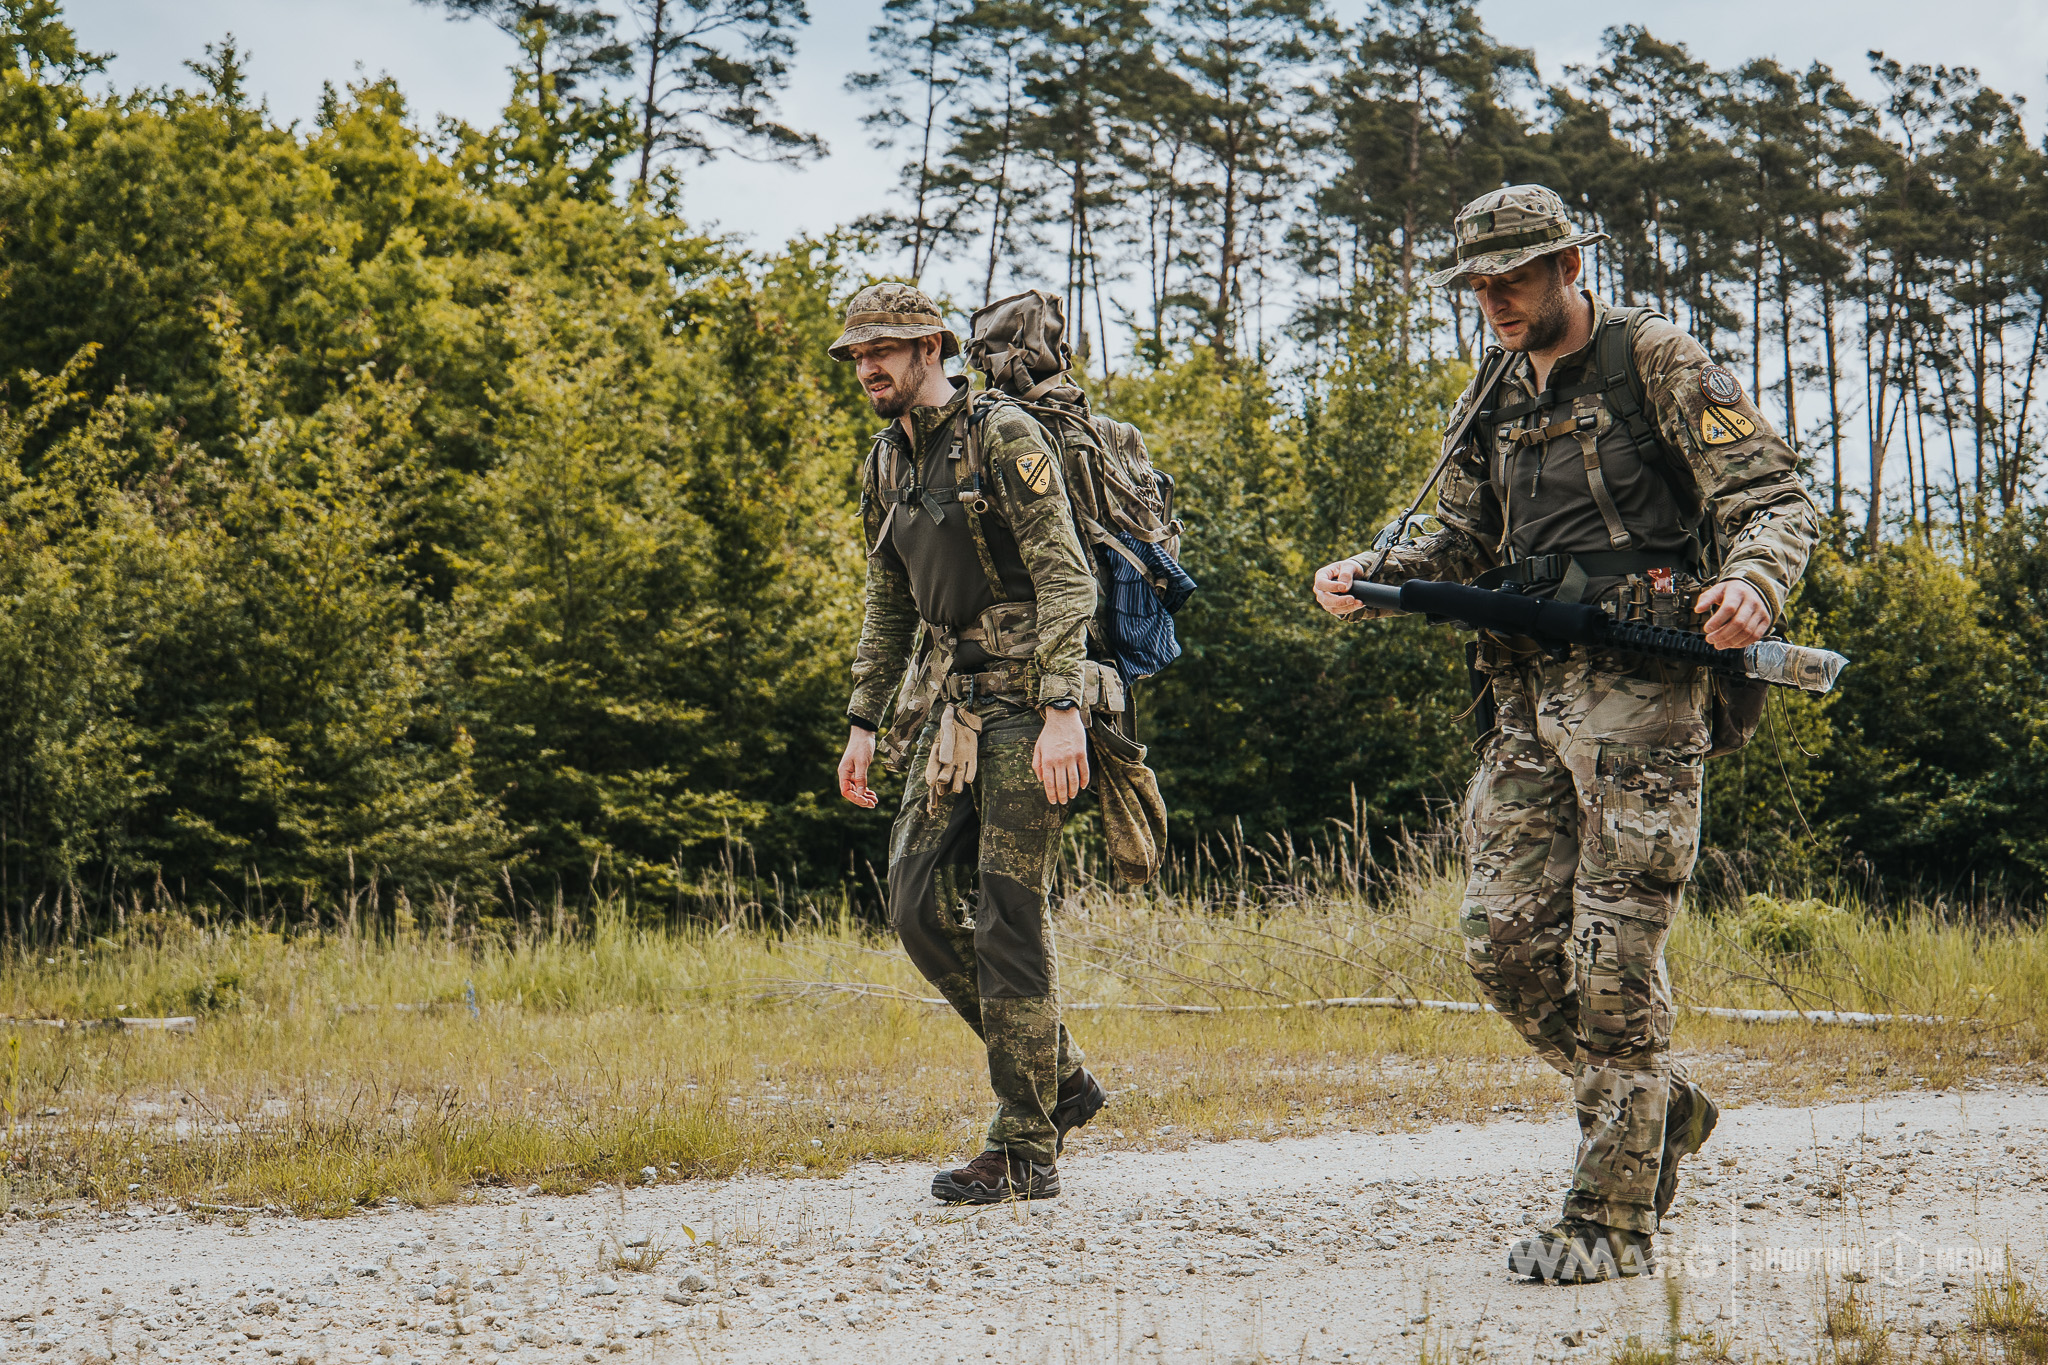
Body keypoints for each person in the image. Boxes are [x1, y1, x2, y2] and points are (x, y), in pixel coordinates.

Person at [1312, 186, 1820, 1282]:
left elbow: (1773, 498)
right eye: (1478, 285)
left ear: (1566, 265)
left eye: (1512, 278)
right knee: (1499, 944)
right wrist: (1371, 575)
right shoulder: (1490, 388)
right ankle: (1656, 1111)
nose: (1492, 301)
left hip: (1641, 699)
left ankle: (1609, 1217)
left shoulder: (1656, 360)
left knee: (1611, 953)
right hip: (1522, 700)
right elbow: (1455, 541)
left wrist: (1751, 586)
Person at [830, 282, 1108, 1204]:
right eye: (857, 354)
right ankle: (1058, 1073)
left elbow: (1068, 576)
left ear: (932, 347)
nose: (867, 366)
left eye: (885, 350)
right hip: (950, 708)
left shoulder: (1004, 437)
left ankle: (1025, 1146)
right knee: (913, 903)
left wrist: (1066, 706)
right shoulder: (886, 460)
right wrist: (863, 722)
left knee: (1008, 918)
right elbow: (889, 600)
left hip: (1033, 702)